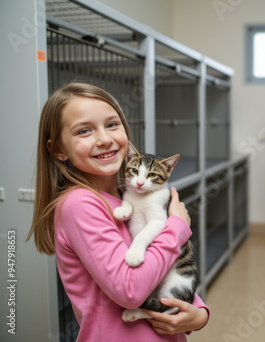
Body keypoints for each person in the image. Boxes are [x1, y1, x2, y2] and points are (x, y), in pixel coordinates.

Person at [27, 83, 209, 342]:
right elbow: (131, 290)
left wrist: (198, 311)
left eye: (112, 124)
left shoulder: (125, 197)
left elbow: (163, 264)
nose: (104, 139)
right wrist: (178, 226)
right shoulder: (80, 204)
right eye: (84, 130)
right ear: (58, 149)